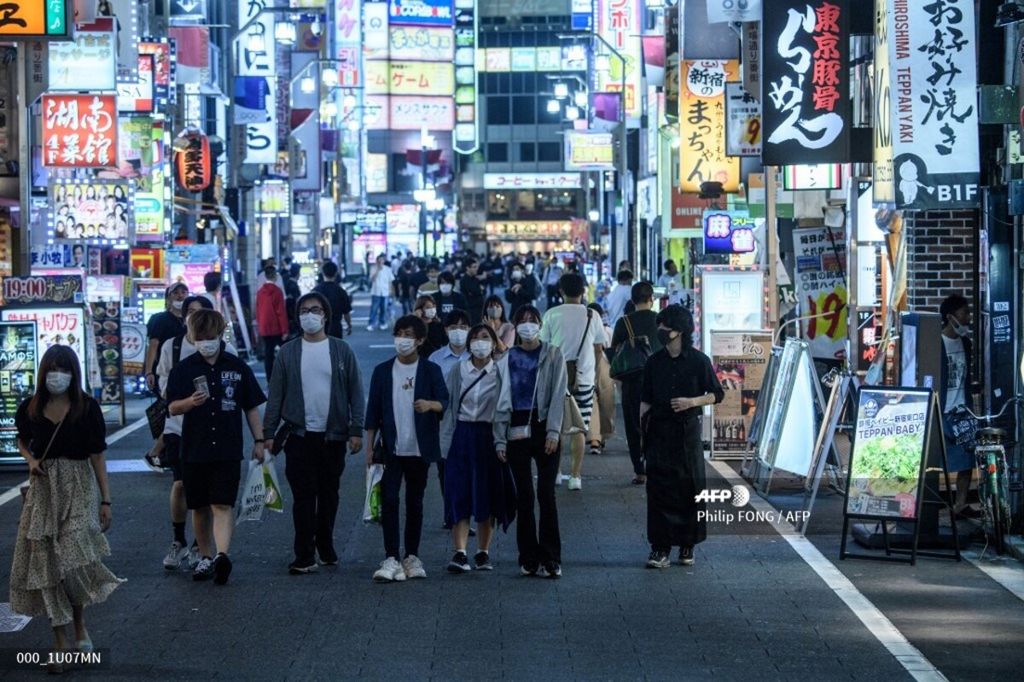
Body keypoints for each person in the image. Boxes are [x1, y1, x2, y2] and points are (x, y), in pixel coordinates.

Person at [11, 346, 123, 668]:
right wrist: (31, 460)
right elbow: (21, 439)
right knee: (47, 564)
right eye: (51, 369)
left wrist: (106, 499)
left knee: (72, 560)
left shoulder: (86, 408)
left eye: (63, 369)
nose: (56, 375)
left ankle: (80, 623)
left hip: (79, 485)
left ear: (73, 373)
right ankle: (59, 642)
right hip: (44, 488)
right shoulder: (31, 407)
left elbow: (98, 455)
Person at [263, 292, 365, 574]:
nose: (310, 314)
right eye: (304, 310)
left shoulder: (341, 350)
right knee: (304, 495)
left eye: (315, 309)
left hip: (334, 436)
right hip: (298, 435)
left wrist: (356, 429)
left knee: (329, 493)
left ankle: (325, 543)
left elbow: (356, 392)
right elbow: (275, 395)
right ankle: (304, 553)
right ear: (297, 317)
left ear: (326, 315)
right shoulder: (288, 352)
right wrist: (267, 433)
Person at [167, 310, 267, 585]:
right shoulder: (184, 369)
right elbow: (172, 407)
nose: (206, 343)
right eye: (201, 338)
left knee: (222, 503)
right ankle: (206, 556)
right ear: (194, 338)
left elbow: (251, 407)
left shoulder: (236, 367)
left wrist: (259, 441)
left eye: (211, 337)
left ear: (220, 335)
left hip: (227, 447)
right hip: (194, 447)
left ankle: (222, 555)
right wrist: (189, 403)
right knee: (199, 506)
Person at [156, 295, 239, 571]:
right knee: (182, 485)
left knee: (216, 499)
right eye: (191, 313)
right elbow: (165, 390)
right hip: (179, 429)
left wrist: (260, 438)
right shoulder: (174, 347)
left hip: (218, 434)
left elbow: (242, 394)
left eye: (202, 313)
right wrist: (184, 404)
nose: (197, 318)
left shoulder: (228, 354)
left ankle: (207, 552)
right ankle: (180, 540)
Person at [364, 315, 449, 582]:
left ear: (420, 340)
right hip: (391, 447)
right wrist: (369, 448)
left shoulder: (430, 370)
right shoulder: (382, 371)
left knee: (415, 501)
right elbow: (372, 413)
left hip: (420, 447)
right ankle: (391, 556)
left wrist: (430, 405)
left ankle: (412, 556)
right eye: (399, 333)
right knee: (389, 499)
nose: (403, 340)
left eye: (409, 335)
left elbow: (445, 402)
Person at [640, 305, 724, 569]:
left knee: (690, 488)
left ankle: (688, 544)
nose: (661, 332)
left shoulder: (699, 361)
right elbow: (645, 402)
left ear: (679, 332)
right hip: (659, 431)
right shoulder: (654, 362)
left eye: (666, 328)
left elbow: (716, 394)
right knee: (659, 490)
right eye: (660, 327)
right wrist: (641, 436)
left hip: (688, 432)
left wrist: (692, 402)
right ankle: (660, 548)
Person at [495, 306, 567, 578]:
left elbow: (559, 394)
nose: (527, 326)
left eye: (532, 321)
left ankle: (551, 557)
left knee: (546, 494)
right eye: (522, 321)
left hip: (544, 425)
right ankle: (528, 557)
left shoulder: (552, 353)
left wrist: (553, 432)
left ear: (540, 324)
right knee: (524, 496)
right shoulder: (507, 358)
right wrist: (499, 440)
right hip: (515, 428)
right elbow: (500, 402)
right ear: (515, 326)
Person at [440, 324, 515, 573]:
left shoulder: (502, 371)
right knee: (458, 492)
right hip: (462, 435)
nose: (479, 342)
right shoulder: (458, 370)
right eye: (475, 338)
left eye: (485, 338)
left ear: (495, 344)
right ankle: (459, 553)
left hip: (489, 436)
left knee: (487, 495)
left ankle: (483, 552)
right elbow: (448, 404)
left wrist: (502, 441)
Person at [540, 273, 607, 491]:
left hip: (556, 379)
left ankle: (556, 472)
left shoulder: (551, 315)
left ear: (561, 291)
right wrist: (595, 374)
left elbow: (544, 348)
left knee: (555, 427)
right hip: (584, 379)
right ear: (583, 291)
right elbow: (599, 348)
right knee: (580, 427)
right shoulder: (592, 315)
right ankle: (576, 476)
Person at [611, 281, 663, 484]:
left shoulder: (624, 322)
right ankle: (656, 464)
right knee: (657, 423)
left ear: (632, 300)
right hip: (658, 379)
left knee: (634, 425)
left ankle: (639, 470)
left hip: (632, 381)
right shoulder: (660, 320)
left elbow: (615, 349)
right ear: (651, 299)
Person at [939, 294, 980, 519]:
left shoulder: (965, 342)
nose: (968, 318)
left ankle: (960, 504)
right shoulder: (936, 342)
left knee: (966, 458)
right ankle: (931, 503)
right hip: (942, 409)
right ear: (950, 316)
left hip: (963, 408)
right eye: (964, 313)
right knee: (936, 459)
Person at [145, 282, 188, 391]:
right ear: (168, 297)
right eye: (176, 293)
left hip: (188, 368)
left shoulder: (192, 319)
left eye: (184, 292)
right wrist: (149, 371)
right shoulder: (159, 319)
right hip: (165, 369)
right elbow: (153, 345)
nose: (180, 295)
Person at [586, 302, 616, 457]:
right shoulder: (607, 331)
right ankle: (596, 439)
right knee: (600, 403)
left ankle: (598, 437)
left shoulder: (605, 331)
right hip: (600, 368)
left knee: (602, 403)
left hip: (597, 367)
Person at [256, 266, 289, 380]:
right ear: (275, 276)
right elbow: (281, 312)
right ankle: (286, 375)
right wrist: (285, 330)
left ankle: (269, 378)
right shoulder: (277, 291)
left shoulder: (260, 292)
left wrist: (260, 326)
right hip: (276, 327)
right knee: (285, 350)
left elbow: (258, 310)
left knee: (268, 353)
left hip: (264, 328)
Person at [314, 261, 353, 338]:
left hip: (318, 327)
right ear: (335, 273)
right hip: (335, 327)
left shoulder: (315, 291)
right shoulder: (341, 291)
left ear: (323, 273)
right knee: (335, 348)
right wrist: (349, 325)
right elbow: (346, 312)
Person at [368, 254, 394, 331]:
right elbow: (372, 279)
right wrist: (377, 270)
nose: (380, 261)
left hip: (385, 292)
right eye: (378, 260)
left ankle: (382, 323)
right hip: (376, 292)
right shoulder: (373, 268)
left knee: (384, 309)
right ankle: (371, 324)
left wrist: (391, 290)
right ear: (377, 261)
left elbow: (390, 281)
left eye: (381, 260)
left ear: (383, 261)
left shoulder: (388, 269)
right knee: (374, 309)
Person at [460, 259, 486, 324]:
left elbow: (483, 291)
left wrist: (480, 290)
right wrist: (479, 290)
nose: (476, 269)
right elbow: (475, 291)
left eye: (476, 267)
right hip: (470, 311)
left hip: (479, 310)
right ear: (467, 268)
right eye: (474, 267)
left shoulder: (475, 279)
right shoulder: (464, 280)